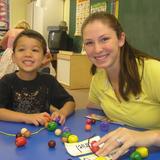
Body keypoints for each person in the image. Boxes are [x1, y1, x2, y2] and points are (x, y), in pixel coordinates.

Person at [81, 11, 160, 159]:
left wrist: (151, 136)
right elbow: (93, 109)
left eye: (104, 39)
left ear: (121, 39)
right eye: (89, 43)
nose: (97, 49)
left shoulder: (153, 71)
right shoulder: (99, 76)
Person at [0, 29, 75, 126]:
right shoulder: (7, 81)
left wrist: (62, 112)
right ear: (13, 57)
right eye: (22, 49)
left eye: (35, 50)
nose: (28, 54)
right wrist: (27, 118)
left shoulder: (49, 81)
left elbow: (70, 102)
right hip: (12, 135)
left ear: (44, 58)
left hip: (41, 133)